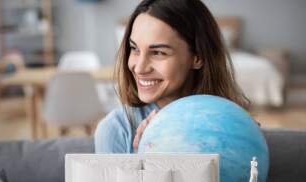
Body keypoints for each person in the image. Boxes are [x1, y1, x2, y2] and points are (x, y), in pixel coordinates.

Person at [94, 0, 250, 153]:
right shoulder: (116, 129)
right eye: (134, 48)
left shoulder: (229, 125)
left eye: (158, 52)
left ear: (198, 57)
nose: (139, 68)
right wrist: (147, 155)